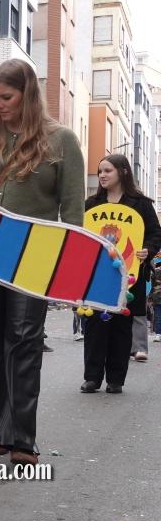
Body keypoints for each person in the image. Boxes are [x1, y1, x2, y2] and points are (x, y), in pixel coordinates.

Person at [0, 58, 84, 467]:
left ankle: (21, 437)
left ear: (28, 95)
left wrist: (72, 265)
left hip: (36, 253)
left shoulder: (62, 140)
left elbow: (73, 209)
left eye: (7, 97)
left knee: (24, 339)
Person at [81, 154, 161, 392]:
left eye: (107, 171)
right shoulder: (91, 204)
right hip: (97, 274)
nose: (102, 175)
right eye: (100, 171)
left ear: (123, 172)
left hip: (129, 275)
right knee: (94, 325)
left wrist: (148, 249)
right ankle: (92, 377)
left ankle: (116, 379)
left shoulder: (142, 204)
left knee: (122, 326)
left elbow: (155, 234)